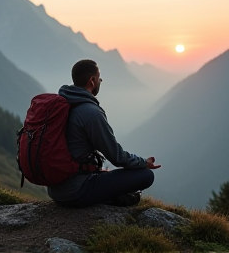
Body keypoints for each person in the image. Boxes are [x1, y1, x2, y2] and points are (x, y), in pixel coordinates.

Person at [47, 59, 161, 207]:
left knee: (107, 175)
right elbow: (116, 156)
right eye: (99, 77)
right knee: (145, 176)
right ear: (92, 80)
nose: (101, 80)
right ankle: (111, 198)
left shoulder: (64, 103)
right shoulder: (91, 113)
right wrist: (143, 162)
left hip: (55, 189)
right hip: (76, 191)